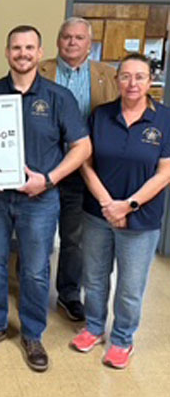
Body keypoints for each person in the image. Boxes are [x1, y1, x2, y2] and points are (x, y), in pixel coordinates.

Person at [0, 25, 91, 372]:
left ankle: (33, 334)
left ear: (39, 53)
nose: (22, 54)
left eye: (29, 48)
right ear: (7, 53)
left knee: (35, 270)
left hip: (40, 199)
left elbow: (82, 147)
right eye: (16, 48)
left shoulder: (58, 97)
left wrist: (48, 179)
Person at [70, 53, 170, 369]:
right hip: (97, 214)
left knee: (130, 286)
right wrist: (108, 204)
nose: (132, 83)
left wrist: (129, 205)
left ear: (150, 81)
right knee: (94, 277)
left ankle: (123, 339)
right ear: (116, 80)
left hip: (141, 219)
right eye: (125, 76)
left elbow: (165, 172)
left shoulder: (165, 120)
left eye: (140, 77)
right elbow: (85, 163)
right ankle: (94, 328)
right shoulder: (100, 116)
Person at [39, 17, 118, 322]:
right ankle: (32, 289)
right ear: (58, 41)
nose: (72, 42)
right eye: (67, 37)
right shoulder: (40, 70)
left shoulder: (108, 75)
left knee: (74, 238)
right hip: (43, 168)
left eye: (79, 38)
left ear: (89, 43)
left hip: (82, 171)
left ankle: (69, 293)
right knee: (37, 235)